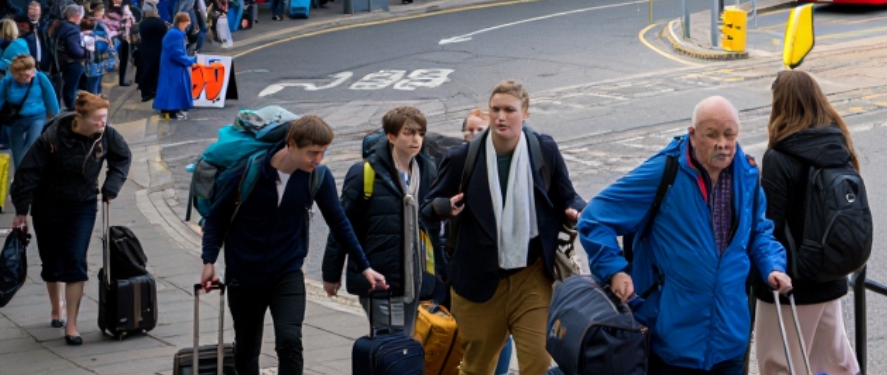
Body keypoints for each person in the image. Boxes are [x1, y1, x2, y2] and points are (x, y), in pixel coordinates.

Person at [578, 95, 791, 375]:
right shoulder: (664, 171)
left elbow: (759, 231)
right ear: (692, 134)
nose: (722, 144)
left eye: (729, 135)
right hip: (671, 343)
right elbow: (594, 218)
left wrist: (772, 266)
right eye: (711, 135)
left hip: (729, 340)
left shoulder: (747, 174)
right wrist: (615, 270)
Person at [201, 115, 386, 375]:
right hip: (243, 275)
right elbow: (216, 219)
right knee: (247, 347)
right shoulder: (246, 172)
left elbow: (340, 222)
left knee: (290, 340)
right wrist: (209, 261)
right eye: (312, 153)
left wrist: (365, 266)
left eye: (322, 152)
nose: (318, 159)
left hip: (286, 272)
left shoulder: (317, 177)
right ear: (291, 144)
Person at [424, 81, 585, 375]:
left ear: (525, 113)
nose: (501, 116)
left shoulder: (543, 149)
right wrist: (445, 207)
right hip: (478, 280)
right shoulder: (463, 158)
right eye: (495, 109)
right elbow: (427, 207)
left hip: (531, 275)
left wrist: (576, 209)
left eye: (509, 110)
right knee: (478, 367)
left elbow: (567, 194)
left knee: (537, 361)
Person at [753, 70, 863, 375]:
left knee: (779, 363)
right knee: (837, 363)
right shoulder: (839, 146)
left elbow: (770, 225)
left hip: (790, 283)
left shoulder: (779, 157)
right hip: (830, 277)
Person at [9, 91, 131, 346]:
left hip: (83, 205)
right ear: (81, 118)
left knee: (76, 261)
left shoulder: (106, 135)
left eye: (105, 117)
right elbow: (27, 173)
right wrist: (22, 210)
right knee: (52, 262)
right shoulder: (52, 138)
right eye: (98, 118)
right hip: (48, 205)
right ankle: (57, 309)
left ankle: (72, 325)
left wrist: (113, 183)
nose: (103, 123)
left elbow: (122, 157)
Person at [324, 107, 443, 330]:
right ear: (391, 136)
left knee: (404, 341)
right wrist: (331, 274)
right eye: (408, 132)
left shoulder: (428, 171)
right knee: (389, 344)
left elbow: (432, 226)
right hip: (379, 276)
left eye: (420, 133)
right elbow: (342, 226)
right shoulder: (364, 173)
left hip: (415, 277)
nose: (416, 139)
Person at [0, 54, 60, 170]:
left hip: (36, 117)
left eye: (30, 74)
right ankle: (20, 179)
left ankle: (31, 176)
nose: (28, 79)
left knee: (31, 147)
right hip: (14, 119)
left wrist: (55, 117)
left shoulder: (39, 77)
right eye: (23, 77)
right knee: (18, 156)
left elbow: (51, 97)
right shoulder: (6, 82)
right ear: (15, 74)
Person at [154, 12, 196, 120]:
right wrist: (190, 60)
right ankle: (172, 112)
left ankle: (169, 111)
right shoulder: (175, 35)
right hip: (172, 67)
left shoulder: (173, 33)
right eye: (186, 24)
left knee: (170, 89)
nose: (187, 27)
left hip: (170, 65)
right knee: (173, 90)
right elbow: (177, 53)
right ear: (180, 23)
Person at [48, 5, 88, 107]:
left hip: (62, 62)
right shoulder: (72, 29)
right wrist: (85, 52)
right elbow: (75, 50)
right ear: (76, 15)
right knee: (72, 88)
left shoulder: (60, 26)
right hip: (72, 63)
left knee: (69, 87)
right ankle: (71, 108)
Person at [103, 0, 137, 86]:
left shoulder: (125, 8)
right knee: (116, 59)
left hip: (123, 38)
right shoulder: (109, 9)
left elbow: (130, 22)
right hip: (115, 38)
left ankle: (122, 80)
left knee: (123, 60)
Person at [78, 6, 114, 95]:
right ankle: (98, 98)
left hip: (91, 66)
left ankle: (94, 101)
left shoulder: (82, 37)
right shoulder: (101, 37)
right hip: (101, 64)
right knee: (98, 83)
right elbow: (111, 50)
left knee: (92, 85)